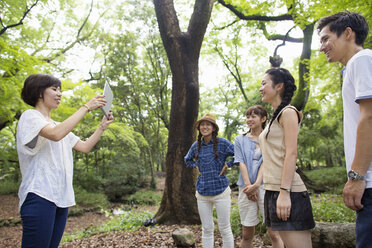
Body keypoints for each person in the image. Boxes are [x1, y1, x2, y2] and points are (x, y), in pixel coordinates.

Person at [16, 74, 114, 248]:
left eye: (60, 89)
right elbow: (55, 135)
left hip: (61, 199)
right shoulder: (30, 117)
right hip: (39, 195)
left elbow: (84, 147)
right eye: (54, 89)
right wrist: (86, 107)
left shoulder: (58, 124)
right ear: (39, 92)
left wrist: (102, 126)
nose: (59, 94)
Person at [317, 11, 372, 247]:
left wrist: (358, 177)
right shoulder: (354, 66)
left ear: (348, 33)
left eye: (325, 38)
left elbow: (369, 118)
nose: (322, 47)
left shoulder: (361, 59)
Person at [258, 67, 315, 248]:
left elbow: (291, 153)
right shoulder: (274, 117)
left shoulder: (289, 112)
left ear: (279, 86)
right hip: (273, 190)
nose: (261, 88)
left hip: (288, 192)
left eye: (264, 83)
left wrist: (284, 192)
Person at [234, 105, 284, 248]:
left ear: (263, 119)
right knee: (247, 234)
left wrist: (256, 185)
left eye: (253, 116)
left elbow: (267, 162)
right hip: (245, 188)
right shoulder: (240, 139)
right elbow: (241, 162)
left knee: (274, 233)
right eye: (248, 116)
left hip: (267, 187)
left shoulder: (268, 138)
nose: (249, 119)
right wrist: (249, 186)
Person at [184, 113, 235, 248]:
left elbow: (239, 154)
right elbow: (187, 159)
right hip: (202, 193)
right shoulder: (196, 146)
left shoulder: (223, 143)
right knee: (207, 228)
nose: (205, 127)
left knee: (224, 228)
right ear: (199, 127)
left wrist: (228, 165)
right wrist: (196, 166)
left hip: (221, 192)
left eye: (208, 124)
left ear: (213, 128)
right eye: (202, 124)